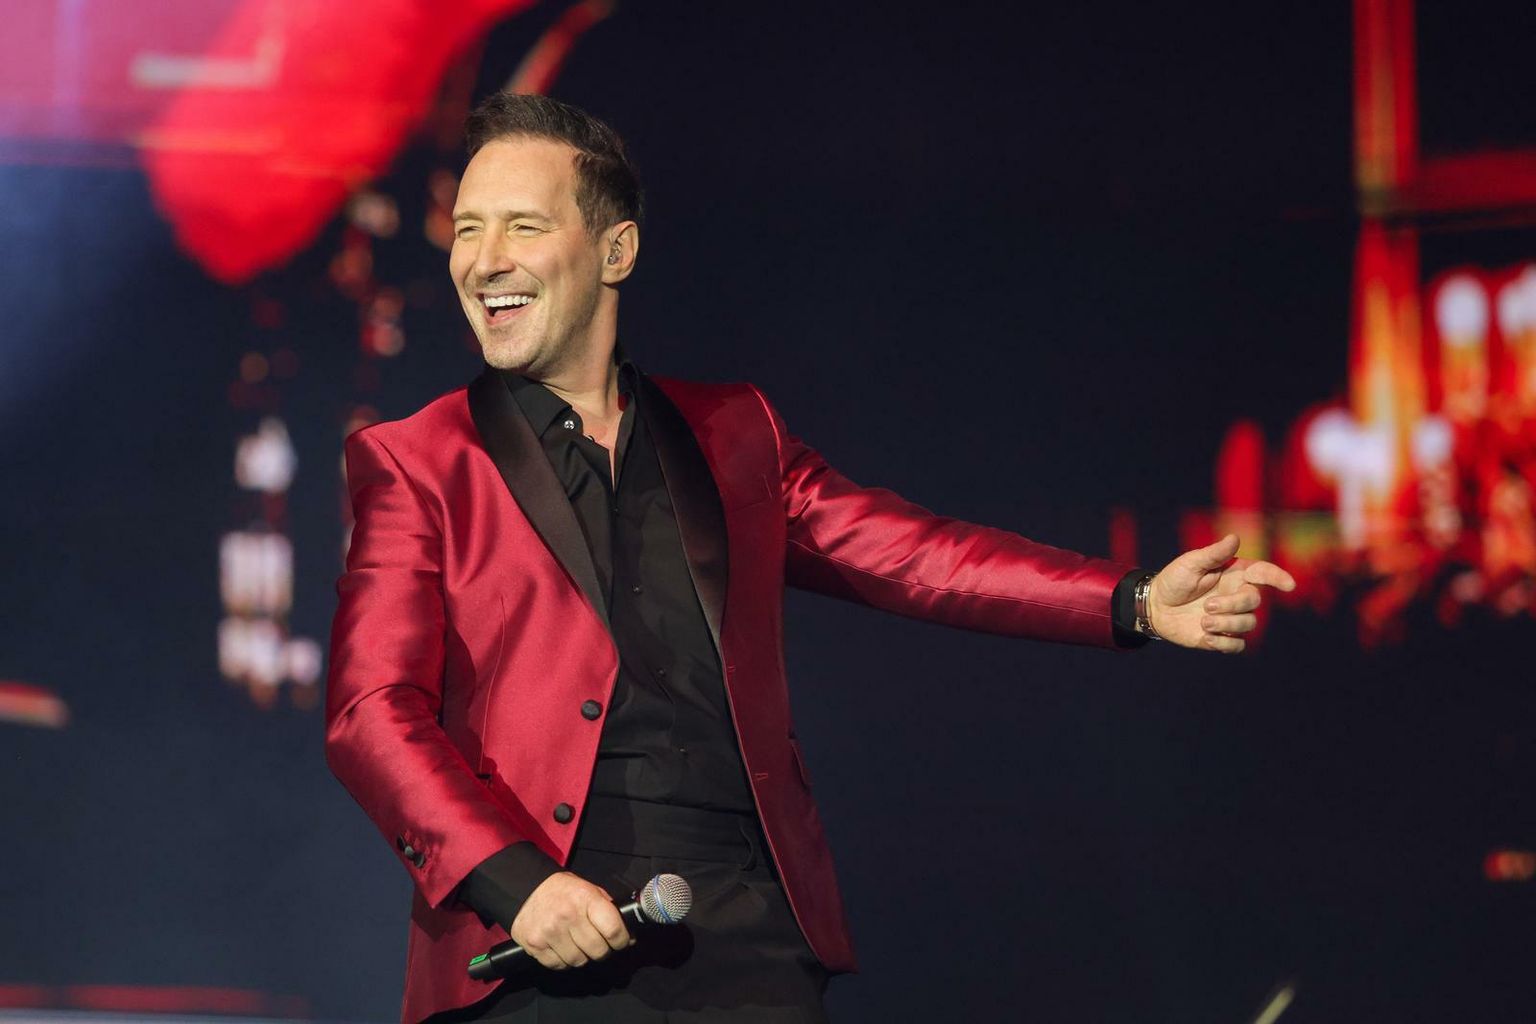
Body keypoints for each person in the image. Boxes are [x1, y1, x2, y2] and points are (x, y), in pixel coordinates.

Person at [324, 93, 1296, 1024]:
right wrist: (517, 884)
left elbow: (913, 556)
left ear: (616, 250)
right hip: (535, 949)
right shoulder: (417, 460)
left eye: (523, 227)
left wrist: (1131, 600)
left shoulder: (732, 432)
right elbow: (372, 711)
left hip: (740, 940)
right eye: (468, 230)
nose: (484, 260)